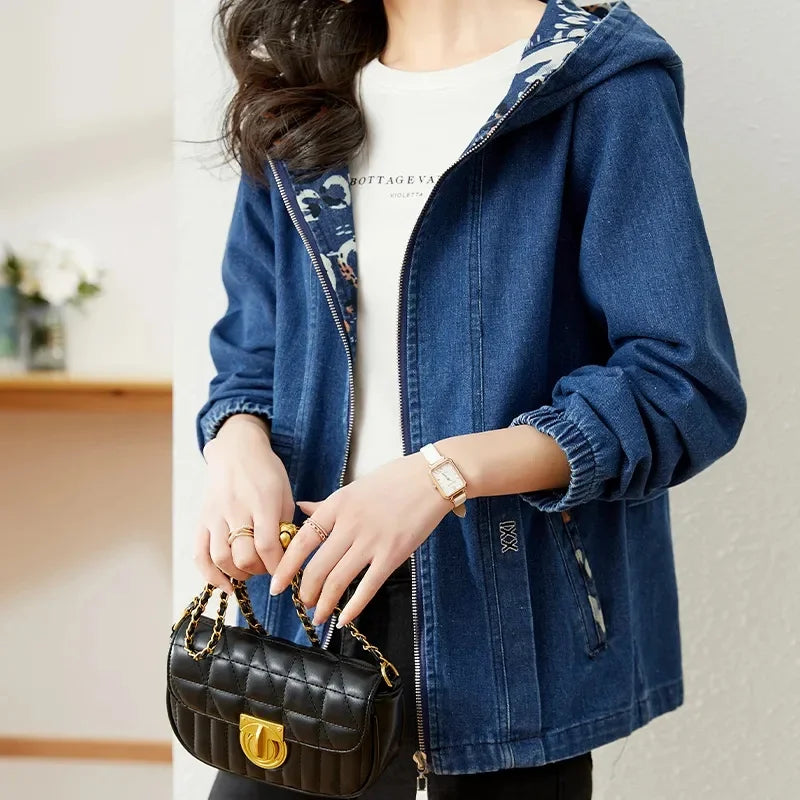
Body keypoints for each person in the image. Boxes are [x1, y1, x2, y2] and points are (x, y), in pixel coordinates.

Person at [193, 1, 747, 798]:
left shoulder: (599, 81)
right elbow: (254, 346)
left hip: (504, 635)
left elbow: (679, 383)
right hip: (300, 616)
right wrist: (236, 444)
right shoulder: (302, 89)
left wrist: (440, 474)